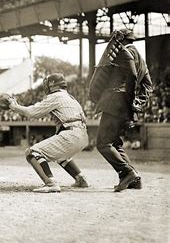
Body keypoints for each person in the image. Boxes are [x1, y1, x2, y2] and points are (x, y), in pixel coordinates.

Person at [91, 29, 152, 191]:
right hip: (124, 106)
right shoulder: (142, 61)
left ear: (122, 40)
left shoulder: (122, 52)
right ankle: (134, 179)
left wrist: (129, 100)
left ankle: (127, 172)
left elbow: (131, 75)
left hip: (114, 103)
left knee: (103, 143)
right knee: (115, 143)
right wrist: (135, 103)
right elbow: (148, 86)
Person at [8, 73, 89, 193]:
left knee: (32, 153)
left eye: (47, 84)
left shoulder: (55, 96)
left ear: (53, 85)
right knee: (61, 155)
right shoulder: (71, 98)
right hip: (83, 135)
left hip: (71, 134)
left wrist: (15, 107)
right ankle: (80, 178)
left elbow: (32, 112)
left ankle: (50, 183)